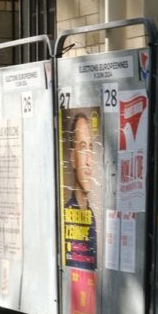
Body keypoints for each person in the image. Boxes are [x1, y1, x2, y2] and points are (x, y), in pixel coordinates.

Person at [63, 112, 97, 269]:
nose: (89, 160)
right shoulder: (65, 214)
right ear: (72, 158)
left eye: (91, 148)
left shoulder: (92, 216)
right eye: (83, 148)